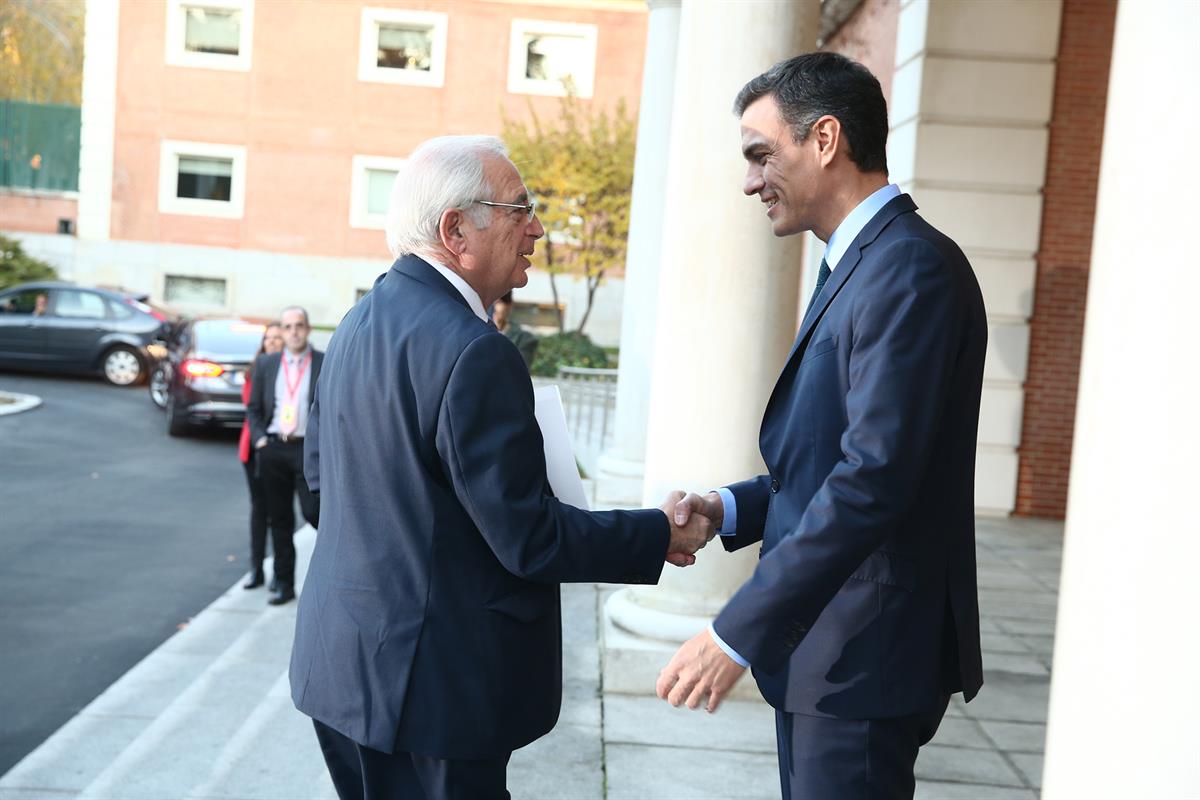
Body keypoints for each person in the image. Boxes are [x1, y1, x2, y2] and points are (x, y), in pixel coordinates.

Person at [289, 135, 713, 799]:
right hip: (433, 697)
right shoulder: (474, 352)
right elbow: (529, 539)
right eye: (521, 209)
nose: (537, 228)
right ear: (456, 229)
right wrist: (659, 532)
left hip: (341, 672)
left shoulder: (354, 324)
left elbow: (319, 496)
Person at [659, 53, 988, 799]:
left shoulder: (909, 270)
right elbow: (830, 464)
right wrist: (729, 508)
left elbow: (873, 480)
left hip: (863, 658)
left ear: (826, 139)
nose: (750, 181)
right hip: (831, 656)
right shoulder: (860, 264)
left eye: (760, 154)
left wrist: (734, 632)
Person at [245, 306, 323, 606]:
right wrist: (261, 440)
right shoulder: (267, 364)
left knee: (314, 513)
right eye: (288, 326)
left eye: (299, 325)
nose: (293, 331)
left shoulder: (323, 363)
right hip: (274, 447)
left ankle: (325, 577)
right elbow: (253, 409)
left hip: (306, 450)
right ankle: (284, 584)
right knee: (279, 520)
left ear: (308, 329)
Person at [238, 321, 283, 590]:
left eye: (278, 338)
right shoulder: (255, 371)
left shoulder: (290, 371)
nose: (274, 343)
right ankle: (256, 569)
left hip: (281, 451)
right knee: (259, 510)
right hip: (254, 449)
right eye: (269, 339)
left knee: (279, 513)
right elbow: (252, 408)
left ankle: (280, 573)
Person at [492, 290, 538, 371]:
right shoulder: (478, 332)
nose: (494, 307)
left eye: (499, 302)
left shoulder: (525, 339)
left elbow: (521, 371)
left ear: (510, 305)